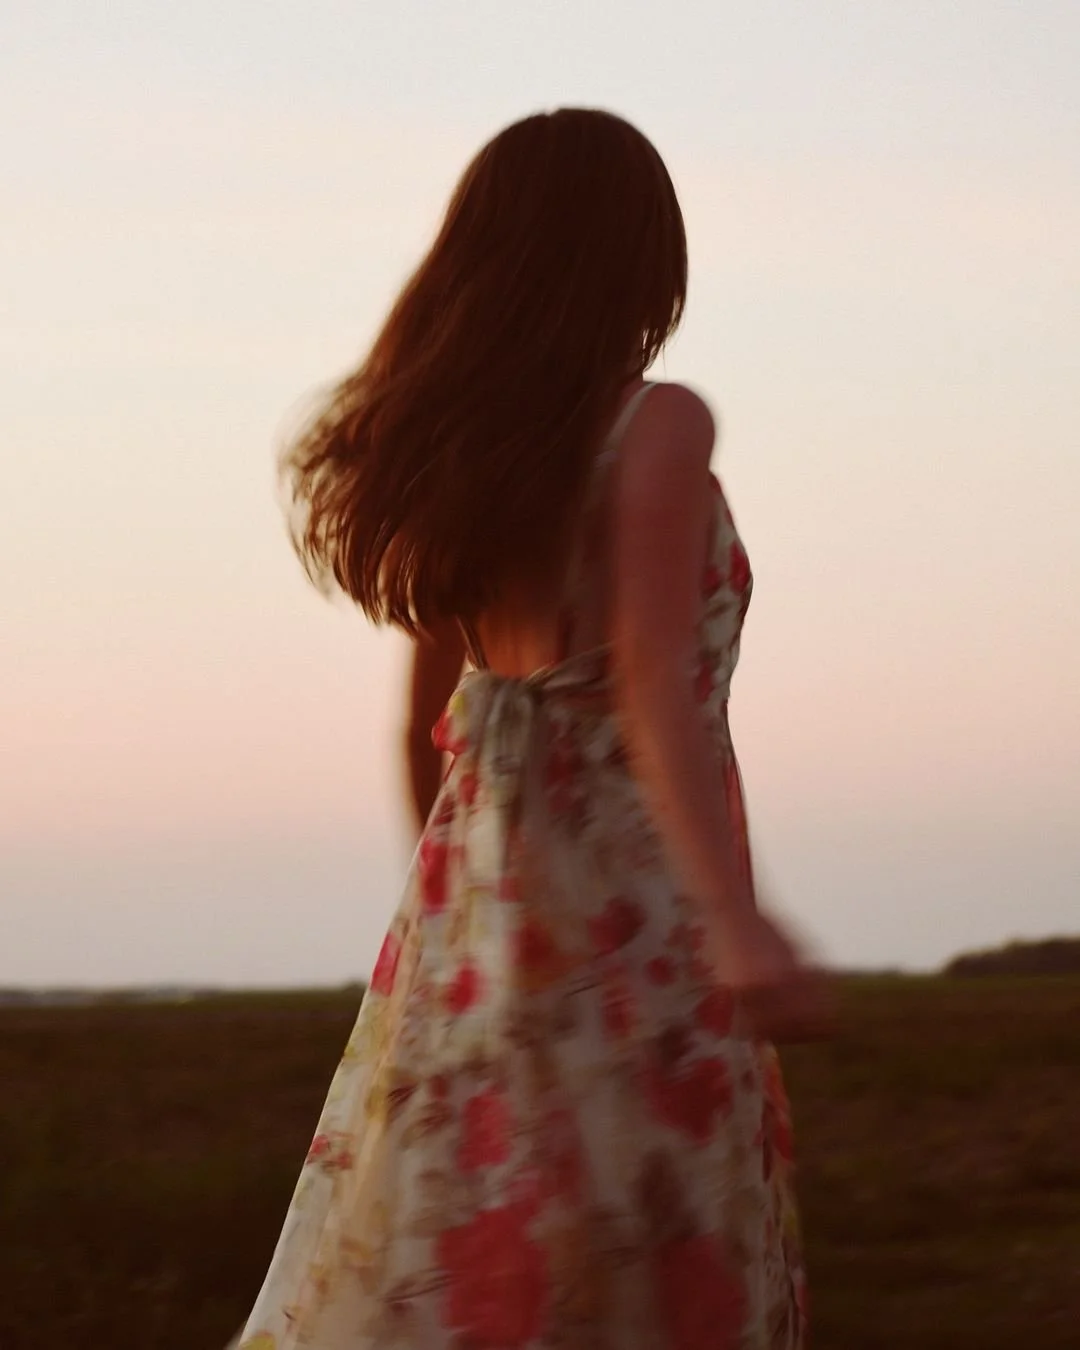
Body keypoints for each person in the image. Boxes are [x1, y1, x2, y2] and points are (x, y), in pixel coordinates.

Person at [234, 107, 827, 1350]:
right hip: (643, 924)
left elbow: (423, 733)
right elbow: (654, 687)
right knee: (655, 1273)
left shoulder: (475, 471)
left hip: (484, 928)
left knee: (503, 1266)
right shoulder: (657, 427)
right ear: (640, 255)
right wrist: (731, 916)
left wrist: (466, 934)